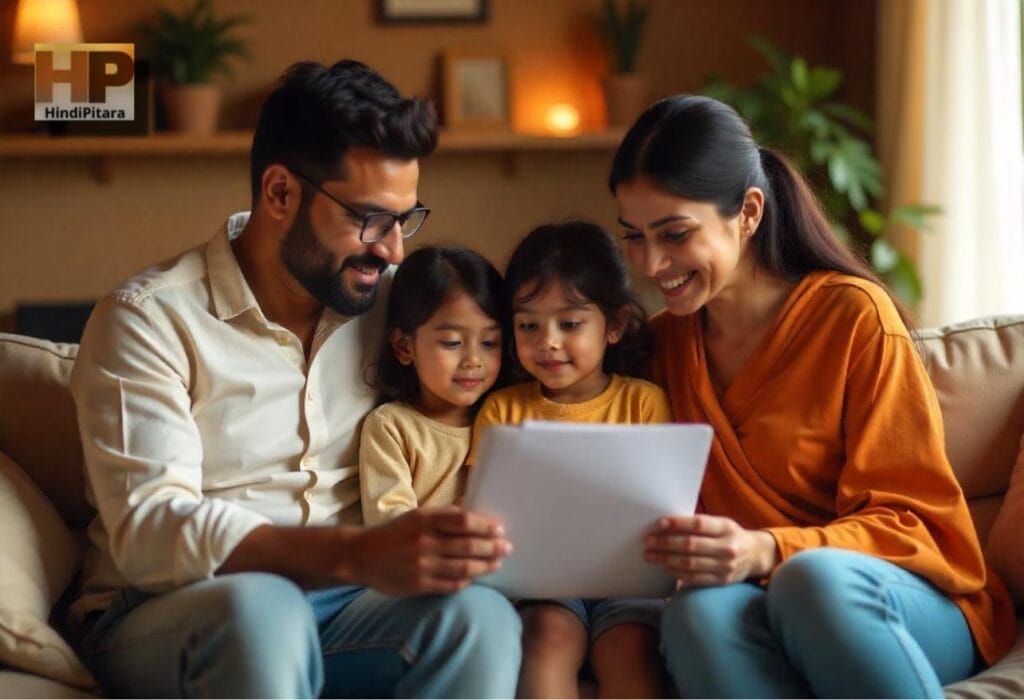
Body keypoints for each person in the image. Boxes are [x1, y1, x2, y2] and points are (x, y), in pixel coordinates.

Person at [69, 60, 521, 698]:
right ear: (280, 194)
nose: (393, 249)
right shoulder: (149, 319)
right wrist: (355, 554)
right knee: (262, 613)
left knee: (480, 619)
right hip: (174, 610)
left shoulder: (396, 307)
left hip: (348, 607)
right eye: (369, 219)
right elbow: (150, 531)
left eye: (405, 218)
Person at [608, 94, 1017, 698]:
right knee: (696, 615)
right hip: (759, 605)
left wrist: (768, 549)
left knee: (811, 581)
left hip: (906, 601)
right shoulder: (663, 348)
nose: (651, 264)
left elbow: (913, 523)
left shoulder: (854, 318)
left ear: (748, 212)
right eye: (635, 238)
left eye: (674, 234)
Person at [468, 221, 672, 699]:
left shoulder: (643, 403)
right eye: (528, 325)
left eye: (571, 323)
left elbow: (660, 505)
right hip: (541, 582)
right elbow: (485, 509)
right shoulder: (503, 410)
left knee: (630, 648)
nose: (548, 342)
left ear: (615, 325)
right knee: (544, 638)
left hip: (628, 579)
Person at [360, 245, 507, 526]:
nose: (473, 360)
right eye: (452, 342)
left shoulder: (504, 416)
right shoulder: (392, 427)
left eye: (489, 343)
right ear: (404, 346)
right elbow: (390, 525)